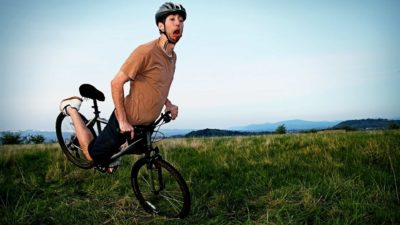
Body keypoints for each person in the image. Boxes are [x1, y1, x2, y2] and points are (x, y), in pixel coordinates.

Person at [59, 2, 186, 172]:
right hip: (126, 120)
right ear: (161, 25)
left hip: (146, 124)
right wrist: (123, 120)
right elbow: (116, 82)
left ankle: (112, 153)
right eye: (172, 19)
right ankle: (72, 109)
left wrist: (168, 104)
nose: (178, 23)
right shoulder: (145, 52)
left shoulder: (173, 57)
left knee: (134, 150)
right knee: (93, 156)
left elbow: (157, 86)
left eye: (181, 20)